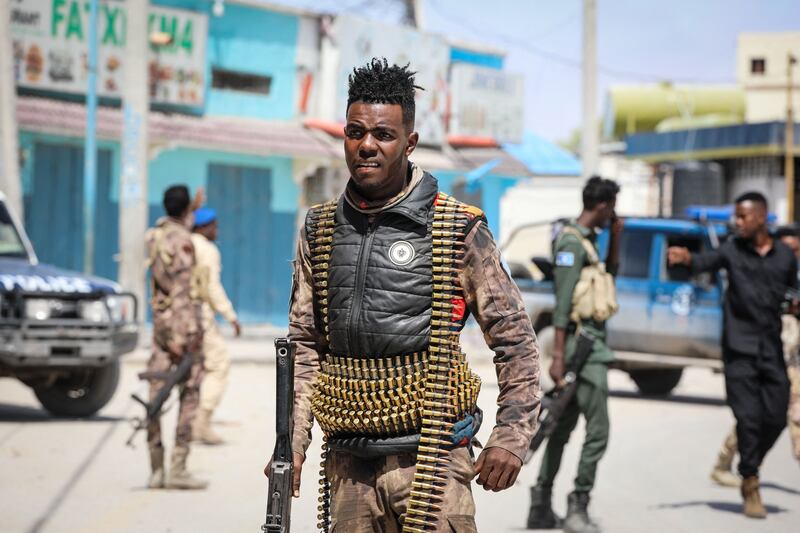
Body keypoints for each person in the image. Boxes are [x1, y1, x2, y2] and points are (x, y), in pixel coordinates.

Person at [265, 58, 541, 532]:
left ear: (409, 143)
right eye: (355, 132)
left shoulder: (457, 227)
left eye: (383, 135)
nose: (367, 145)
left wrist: (512, 435)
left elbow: (514, 337)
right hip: (349, 465)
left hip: (431, 461)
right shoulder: (320, 228)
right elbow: (305, 344)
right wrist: (290, 443)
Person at [669, 192, 795, 519]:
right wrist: (686, 257)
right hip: (738, 350)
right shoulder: (731, 250)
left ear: (761, 218)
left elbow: (793, 293)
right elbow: (705, 262)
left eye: (742, 217)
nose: (737, 222)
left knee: (776, 416)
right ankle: (750, 479)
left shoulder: (784, 255)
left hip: (771, 349)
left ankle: (749, 464)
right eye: (736, 216)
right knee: (748, 418)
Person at [527, 176, 622, 533]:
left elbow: (610, 276)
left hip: (591, 344)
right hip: (583, 348)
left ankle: (540, 505)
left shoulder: (590, 242)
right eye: (611, 208)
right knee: (597, 430)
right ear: (601, 206)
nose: (612, 214)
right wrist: (559, 355)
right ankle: (577, 505)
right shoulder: (571, 243)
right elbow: (563, 301)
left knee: (561, 425)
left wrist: (618, 236)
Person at [710, 223, 800, 487]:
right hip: (762, 360)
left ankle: (733, 463)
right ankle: (725, 462)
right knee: (752, 418)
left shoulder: (792, 281)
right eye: (788, 249)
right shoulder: (759, 280)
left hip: (791, 363)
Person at [144, 185, 207, 490]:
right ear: (185, 210)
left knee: (155, 396)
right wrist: (184, 338)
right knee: (190, 395)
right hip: (182, 329)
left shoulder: (153, 236)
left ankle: (156, 469)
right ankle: (178, 469)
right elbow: (182, 292)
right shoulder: (182, 241)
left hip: (160, 327)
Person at [190, 207, 242, 445]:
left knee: (193, 369)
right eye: (214, 226)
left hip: (179, 315)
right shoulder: (206, 249)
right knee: (218, 364)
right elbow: (211, 287)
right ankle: (201, 422)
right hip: (200, 315)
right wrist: (230, 315)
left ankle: (189, 420)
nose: (216, 231)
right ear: (204, 226)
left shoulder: (184, 242)